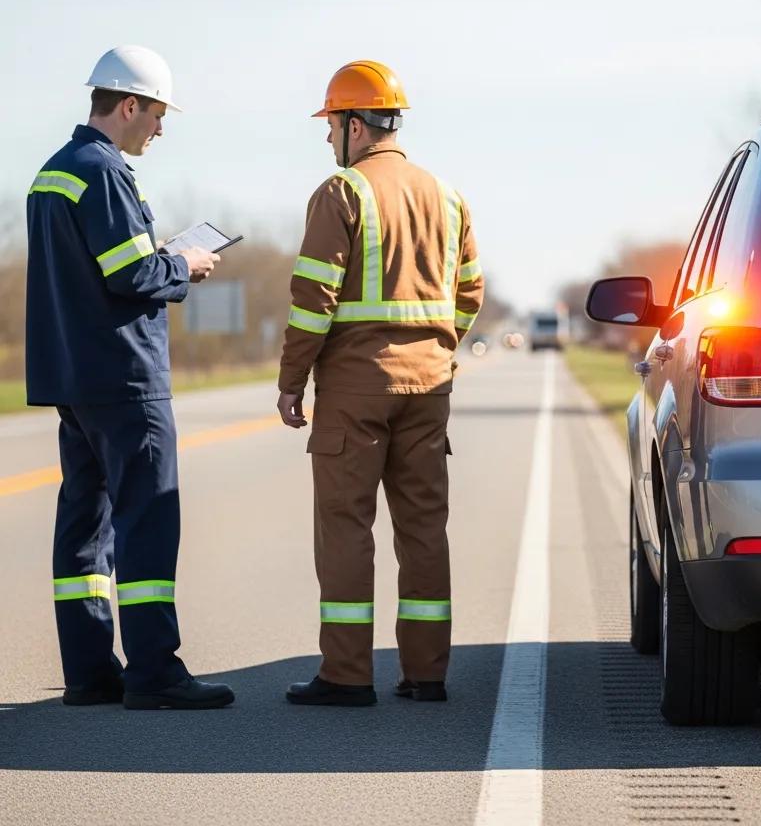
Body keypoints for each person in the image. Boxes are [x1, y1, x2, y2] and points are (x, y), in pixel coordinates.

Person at [25, 44, 235, 710]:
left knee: (83, 527)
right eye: (157, 115)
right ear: (128, 106)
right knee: (146, 521)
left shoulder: (51, 172)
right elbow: (132, 274)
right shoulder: (103, 170)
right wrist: (187, 263)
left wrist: (157, 257)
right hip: (125, 378)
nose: (160, 128)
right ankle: (153, 673)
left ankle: (89, 673)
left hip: (74, 379)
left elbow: (95, 272)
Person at [278, 60, 484, 706]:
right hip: (430, 389)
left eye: (331, 124)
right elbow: (470, 291)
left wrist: (292, 381)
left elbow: (312, 299)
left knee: (345, 528)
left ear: (355, 126)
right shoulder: (447, 197)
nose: (327, 138)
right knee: (424, 528)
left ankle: (346, 675)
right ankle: (427, 674)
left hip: (355, 391)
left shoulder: (343, 192)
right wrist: (439, 349)